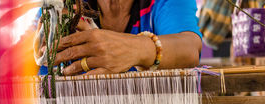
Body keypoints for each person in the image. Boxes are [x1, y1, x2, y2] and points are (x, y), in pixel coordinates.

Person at [37, 0, 202, 75]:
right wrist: (38, 51)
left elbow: (189, 48)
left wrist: (134, 50)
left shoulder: (161, 3)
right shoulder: (62, 6)